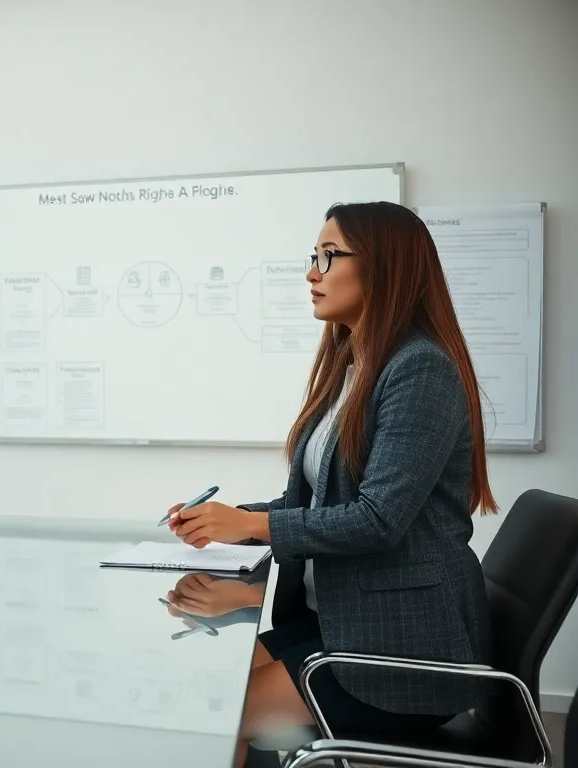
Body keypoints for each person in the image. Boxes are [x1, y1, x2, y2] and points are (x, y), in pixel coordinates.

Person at [164, 202, 496, 768]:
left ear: (384, 267)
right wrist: (228, 521)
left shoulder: (420, 369)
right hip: (342, 626)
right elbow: (318, 505)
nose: (312, 272)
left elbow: (377, 520)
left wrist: (253, 525)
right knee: (201, 684)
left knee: (214, 718)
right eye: (312, 256)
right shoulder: (353, 367)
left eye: (329, 255)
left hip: (400, 648)